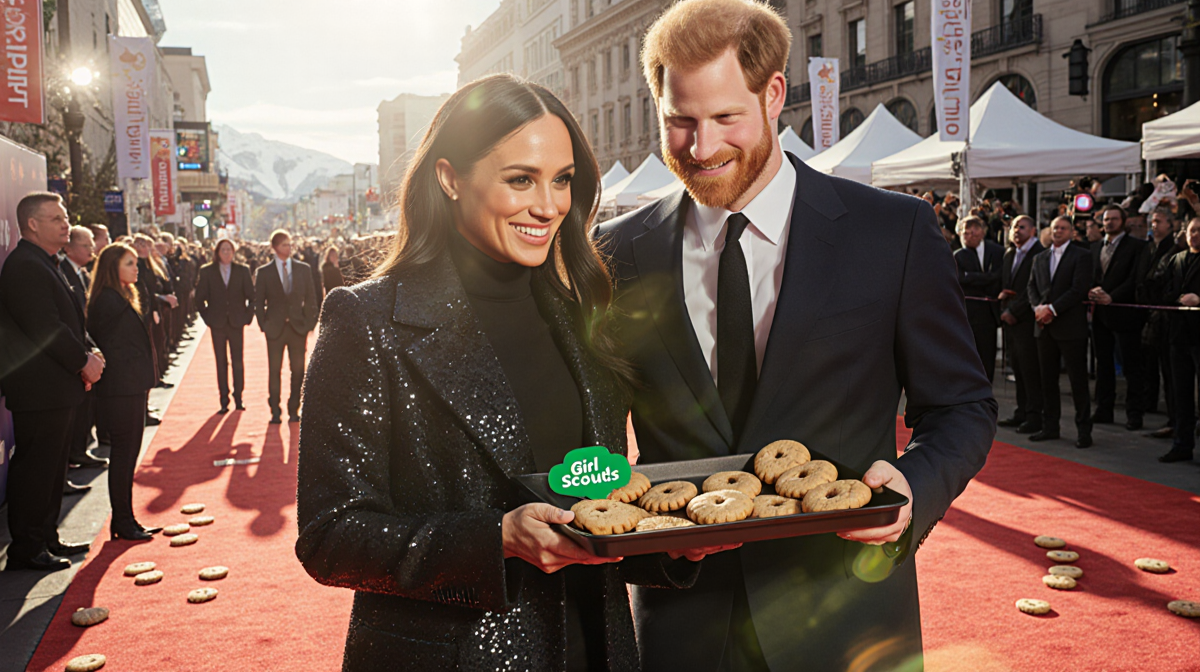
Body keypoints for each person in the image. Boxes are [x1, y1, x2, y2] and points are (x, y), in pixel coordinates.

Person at [598, 2, 997, 669]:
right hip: (683, 625)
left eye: (727, 117)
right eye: (680, 121)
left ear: (775, 93)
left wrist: (913, 489)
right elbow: (595, 442)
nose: (702, 148)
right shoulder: (612, 253)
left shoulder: (892, 233)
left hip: (847, 619)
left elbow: (961, 407)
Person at [295, 74, 713, 671]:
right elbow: (330, 537)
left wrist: (680, 543)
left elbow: (600, 511)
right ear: (450, 178)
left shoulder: (585, 316)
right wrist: (495, 541)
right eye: (521, 179)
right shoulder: (366, 320)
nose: (548, 206)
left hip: (596, 649)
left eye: (562, 180)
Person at [0, 192, 103, 571]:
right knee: (35, 470)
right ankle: (27, 548)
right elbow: (45, 327)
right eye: (56, 218)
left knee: (53, 469)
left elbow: (71, 319)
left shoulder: (46, 262)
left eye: (65, 216)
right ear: (32, 224)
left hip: (56, 386)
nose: (66, 223)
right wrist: (83, 361)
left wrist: (90, 353)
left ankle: (47, 537)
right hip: (38, 388)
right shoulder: (25, 265)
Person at [86, 243, 163, 540]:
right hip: (120, 388)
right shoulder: (107, 301)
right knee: (123, 454)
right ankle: (122, 520)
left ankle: (126, 518)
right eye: (129, 263)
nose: (136, 268)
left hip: (130, 386)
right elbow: (108, 346)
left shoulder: (120, 296)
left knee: (129, 453)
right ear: (112, 267)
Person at [1029, 216, 1095, 448]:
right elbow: (1032, 287)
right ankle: (1050, 427)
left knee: (1078, 382)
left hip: (1070, 328)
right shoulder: (1040, 257)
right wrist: (1038, 308)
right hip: (1044, 328)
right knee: (1047, 380)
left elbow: (1078, 289)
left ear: (1072, 232)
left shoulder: (1082, 256)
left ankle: (1084, 431)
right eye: (1055, 227)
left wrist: (1052, 310)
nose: (1058, 231)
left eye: (1063, 228)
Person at [1088, 204, 1150, 430]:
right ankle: (1104, 409)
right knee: (1103, 365)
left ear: (1123, 222)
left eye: (1114, 219)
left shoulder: (1137, 246)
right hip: (1100, 315)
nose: (1109, 223)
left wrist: (1111, 296)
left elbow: (1136, 278)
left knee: (1131, 366)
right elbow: (1091, 276)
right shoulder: (1094, 247)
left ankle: (1135, 413)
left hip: (1125, 314)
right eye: (1106, 220)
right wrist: (1092, 291)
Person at [254, 229, 317, 424]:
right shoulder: (264, 272)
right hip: (275, 329)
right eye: (284, 245)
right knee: (275, 370)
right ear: (274, 248)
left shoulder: (303, 269)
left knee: (298, 370)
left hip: (298, 328)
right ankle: (275, 409)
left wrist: (309, 323)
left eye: (290, 244)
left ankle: (294, 408)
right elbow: (258, 301)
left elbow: (311, 298)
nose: (289, 248)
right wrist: (264, 324)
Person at [195, 238, 255, 413]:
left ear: (234, 252)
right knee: (221, 362)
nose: (227, 253)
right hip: (218, 323)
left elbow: (252, 296)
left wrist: (247, 317)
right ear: (217, 252)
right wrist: (208, 318)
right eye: (223, 250)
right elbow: (199, 299)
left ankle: (238, 397)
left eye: (229, 249)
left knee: (238, 361)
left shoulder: (242, 270)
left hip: (236, 322)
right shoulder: (207, 271)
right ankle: (223, 399)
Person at [998, 215, 1045, 433]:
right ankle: (1022, 411)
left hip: (1028, 320)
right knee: (1017, 367)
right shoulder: (1009, 253)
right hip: (1011, 320)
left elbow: (1035, 288)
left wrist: (1014, 310)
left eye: (1023, 227)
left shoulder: (1039, 254)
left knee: (1030, 369)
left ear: (1033, 231)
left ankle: (1035, 415)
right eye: (1015, 226)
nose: (1017, 230)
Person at [1159, 217, 1200, 463]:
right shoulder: (1177, 259)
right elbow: (1164, 292)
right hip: (1178, 335)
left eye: (1198, 231)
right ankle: (1182, 444)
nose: (1193, 235)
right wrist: (1178, 300)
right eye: (1191, 231)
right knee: (1180, 393)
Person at [1142, 208, 1183, 438]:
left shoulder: (1173, 250)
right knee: (1166, 372)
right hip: (1158, 319)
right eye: (1152, 221)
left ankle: (1179, 420)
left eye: (1158, 221)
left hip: (1175, 322)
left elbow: (1161, 280)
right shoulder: (1150, 247)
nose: (1154, 225)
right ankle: (1175, 419)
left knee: (1176, 375)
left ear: (1171, 225)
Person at [954, 215, 1005, 381]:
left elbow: (999, 276)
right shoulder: (958, 256)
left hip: (990, 313)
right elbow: (960, 278)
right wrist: (985, 277)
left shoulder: (997, 251)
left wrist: (973, 277)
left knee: (987, 354)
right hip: (968, 312)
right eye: (965, 234)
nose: (969, 237)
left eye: (973, 234)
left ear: (982, 233)